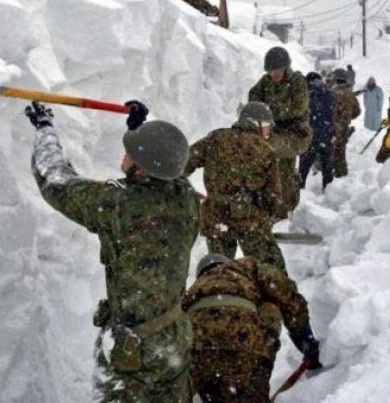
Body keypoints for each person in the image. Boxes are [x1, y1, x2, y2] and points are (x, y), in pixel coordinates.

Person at [26, 100, 201, 402]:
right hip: (174, 339)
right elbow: (169, 165)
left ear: (143, 170)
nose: (125, 155)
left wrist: (45, 131)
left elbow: (56, 181)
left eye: (131, 153)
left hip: (133, 351)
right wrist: (139, 130)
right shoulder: (187, 199)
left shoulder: (117, 204)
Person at [182, 253, 322, 403]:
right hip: (243, 342)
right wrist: (305, 340)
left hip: (196, 351)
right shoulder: (244, 267)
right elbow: (285, 293)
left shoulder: (190, 292)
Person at [184, 102, 285, 270]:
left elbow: (183, 162)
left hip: (215, 218)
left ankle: (222, 293)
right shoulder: (265, 150)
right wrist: (266, 218)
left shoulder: (215, 139)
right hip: (250, 219)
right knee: (270, 271)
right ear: (257, 123)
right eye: (267, 126)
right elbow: (273, 196)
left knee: (221, 271)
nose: (268, 133)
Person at [248, 47, 312, 219]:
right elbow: (253, 97)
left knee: (281, 169)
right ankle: (270, 204)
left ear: (286, 68)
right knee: (267, 166)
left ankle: (282, 212)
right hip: (273, 133)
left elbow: (297, 108)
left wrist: (267, 111)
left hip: (295, 134)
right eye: (271, 71)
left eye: (278, 71)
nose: (274, 75)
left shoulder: (297, 80)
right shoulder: (265, 81)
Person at [299, 72, 336, 189]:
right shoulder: (330, 92)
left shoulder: (305, 93)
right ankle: (328, 190)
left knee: (303, 168)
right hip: (327, 134)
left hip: (310, 134)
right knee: (327, 166)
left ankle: (299, 191)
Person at [331, 68, 361, 178]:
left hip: (333, 127)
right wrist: (347, 116)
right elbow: (357, 111)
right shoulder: (350, 94)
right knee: (341, 151)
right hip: (344, 127)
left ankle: (332, 174)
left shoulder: (332, 93)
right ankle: (341, 173)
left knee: (331, 151)